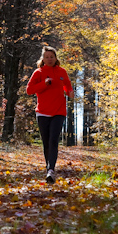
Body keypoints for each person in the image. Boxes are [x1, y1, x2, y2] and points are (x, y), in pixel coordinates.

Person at [25, 45, 73, 184]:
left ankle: (51, 169)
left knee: (53, 140)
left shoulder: (62, 71)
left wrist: (70, 92)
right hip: (42, 112)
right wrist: (44, 84)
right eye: (47, 57)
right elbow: (29, 90)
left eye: (52, 57)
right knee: (46, 142)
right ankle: (49, 169)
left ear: (55, 58)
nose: (50, 59)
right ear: (43, 59)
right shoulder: (38, 72)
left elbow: (67, 85)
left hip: (59, 111)